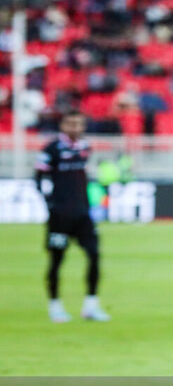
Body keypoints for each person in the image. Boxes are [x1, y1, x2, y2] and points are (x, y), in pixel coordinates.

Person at [34, 110, 110, 323]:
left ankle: (91, 305)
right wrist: (51, 205)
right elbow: (38, 179)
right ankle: (55, 306)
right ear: (63, 126)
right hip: (60, 216)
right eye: (71, 124)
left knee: (94, 255)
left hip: (83, 214)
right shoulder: (51, 149)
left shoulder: (85, 147)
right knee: (57, 260)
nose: (75, 128)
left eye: (79, 124)